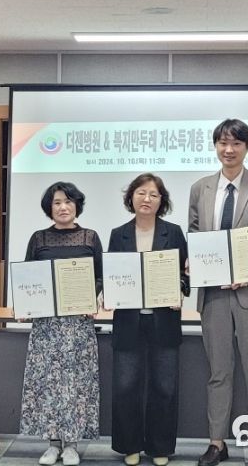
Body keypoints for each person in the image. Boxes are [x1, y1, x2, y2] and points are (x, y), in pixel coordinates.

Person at [188, 119, 248, 466]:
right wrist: (195, 262)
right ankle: (217, 442)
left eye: (236, 144)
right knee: (219, 372)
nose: (228, 150)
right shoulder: (200, 188)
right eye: (222, 143)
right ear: (215, 145)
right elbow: (195, 236)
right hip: (213, 294)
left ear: (247, 147)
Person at [107, 173, 190, 466]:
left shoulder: (173, 232)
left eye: (154, 194)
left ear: (161, 201)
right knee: (126, 386)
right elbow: (111, 275)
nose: (147, 199)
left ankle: (159, 447)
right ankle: (129, 445)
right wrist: (107, 292)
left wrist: (179, 289)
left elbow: (185, 275)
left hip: (163, 321)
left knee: (164, 387)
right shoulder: (119, 234)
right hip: (128, 322)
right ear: (131, 197)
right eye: (141, 192)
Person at [20, 181, 103, 466]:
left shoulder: (90, 237)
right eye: (57, 202)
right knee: (49, 385)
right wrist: (25, 305)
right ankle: (53, 444)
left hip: (78, 324)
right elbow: (28, 277)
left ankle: (72, 446)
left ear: (77, 205)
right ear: (49, 208)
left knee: (76, 385)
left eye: (68, 201)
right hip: (47, 327)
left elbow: (100, 277)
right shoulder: (39, 239)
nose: (63, 207)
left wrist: (92, 299)